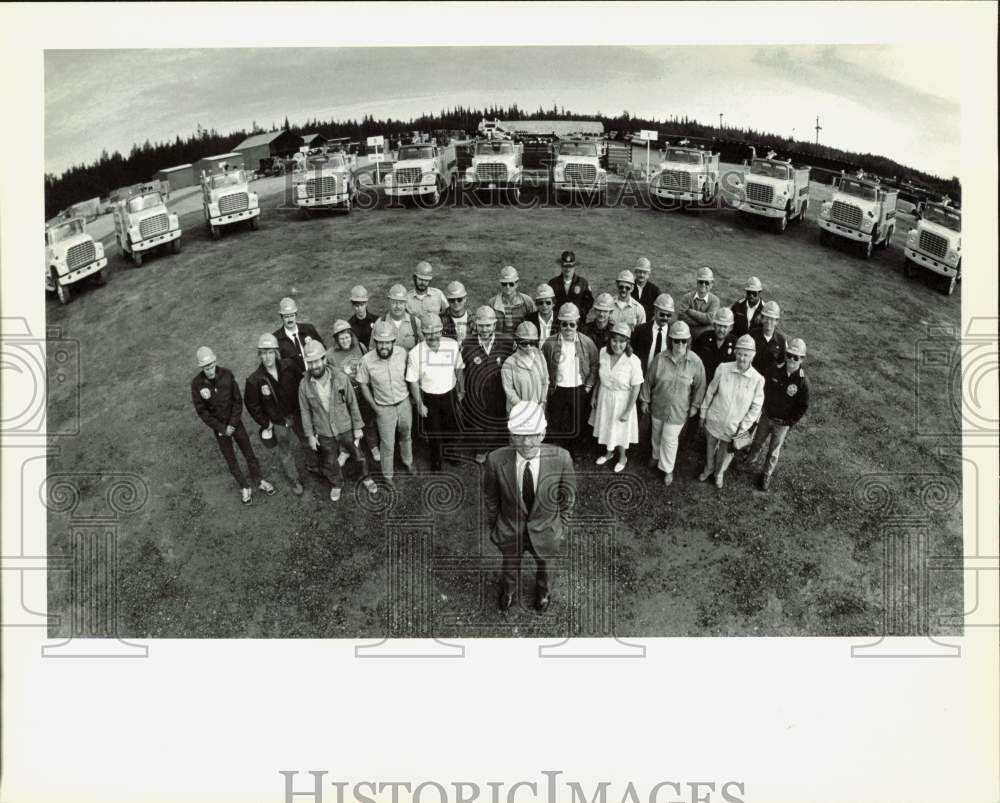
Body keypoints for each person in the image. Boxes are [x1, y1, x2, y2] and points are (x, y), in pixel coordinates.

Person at [485, 401, 576, 613]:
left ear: (543, 433)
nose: (526, 442)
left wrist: (561, 528)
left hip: (547, 531)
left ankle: (543, 593)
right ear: (510, 434)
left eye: (533, 435)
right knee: (509, 566)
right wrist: (495, 526)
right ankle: (508, 591)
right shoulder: (495, 460)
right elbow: (491, 498)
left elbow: (568, 497)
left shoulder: (562, 458)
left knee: (545, 567)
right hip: (510, 530)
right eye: (519, 435)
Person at [191, 346, 276, 505]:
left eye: (211, 365)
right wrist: (222, 428)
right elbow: (202, 412)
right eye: (205, 367)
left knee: (248, 452)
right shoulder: (196, 384)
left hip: (236, 424)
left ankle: (258, 479)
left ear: (215, 361)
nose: (209, 369)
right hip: (220, 430)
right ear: (200, 367)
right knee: (230, 458)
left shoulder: (227, 374)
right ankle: (244, 486)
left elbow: (238, 400)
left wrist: (232, 423)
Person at [297, 340, 377, 502]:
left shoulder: (340, 377)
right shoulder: (304, 386)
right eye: (310, 362)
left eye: (317, 361)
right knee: (330, 460)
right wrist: (310, 435)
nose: (314, 366)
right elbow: (305, 411)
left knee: (359, 455)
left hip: (346, 428)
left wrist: (357, 427)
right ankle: (336, 484)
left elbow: (352, 402)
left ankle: (367, 478)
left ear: (324, 359)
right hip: (324, 432)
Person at [639, 321, 706, 486]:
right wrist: (645, 400)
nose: (680, 344)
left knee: (670, 439)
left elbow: (700, 386)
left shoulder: (695, 362)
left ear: (689, 341)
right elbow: (648, 380)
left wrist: (695, 406)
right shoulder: (660, 359)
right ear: (671, 341)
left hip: (678, 411)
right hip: (658, 406)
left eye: (684, 340)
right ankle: (655, 456)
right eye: (676, 340)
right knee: (656, 434)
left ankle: (667, 468)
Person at [698, 334, 764, 489]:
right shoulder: (723, 368)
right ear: (735, 352)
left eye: (746, 355)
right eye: (740, 353)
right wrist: (703, 413)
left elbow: (756, 407)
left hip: (734, 427)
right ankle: (708, 468)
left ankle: (719, 473)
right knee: (709, 445)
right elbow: (710, 392)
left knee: (726, 452)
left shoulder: (758, 379)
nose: (742, 358)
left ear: (753, 356)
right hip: (714, 419)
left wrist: (743, 427)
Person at [243, 334, 305, 497]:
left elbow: (302, 385)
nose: (267, 356)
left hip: (297, 415)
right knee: (285, 451)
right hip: (278, 422)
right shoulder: (254, 380)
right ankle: (294, 479)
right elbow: (252, 405)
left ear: (276, 352)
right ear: (259, 355)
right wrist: (266, 423)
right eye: (263, 353)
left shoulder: (289, 365)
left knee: (307, 439)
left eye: (270, 352)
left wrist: (305, 409)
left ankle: (315, 466)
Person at [356, 321, 416, 487]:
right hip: (384, 408)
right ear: (375, 342)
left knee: (406, 435)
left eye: (387, 342)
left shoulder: (402, 353)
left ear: (393, 341)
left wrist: (411, 398)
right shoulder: (367, 361)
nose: (384, 346)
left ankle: (408, 461)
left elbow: (411, 376)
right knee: (387, 443)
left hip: (404, 403)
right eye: (380, 342)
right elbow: (362, 384)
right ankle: (388, 475)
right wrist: (375, 407)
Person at [748, 338, 810, 491]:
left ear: (802, 359)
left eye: (796, 357)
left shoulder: (802, 381)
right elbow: (765, 389)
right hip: (767, 416)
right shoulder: (775, 369)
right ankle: (750, 459)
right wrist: (763, 408)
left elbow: (803, 406)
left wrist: (789, 422)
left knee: (773, 451)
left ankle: (766, 474)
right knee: (758, 441)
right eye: (789, 355)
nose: (791, 359)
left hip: (782, 423)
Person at [406, 312, 465, 471]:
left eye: (436, 332)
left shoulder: (452, 344)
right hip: (430, 397)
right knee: (434, 432)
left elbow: (459, 368)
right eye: (428, 333)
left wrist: (461, 390)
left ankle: (452, 455)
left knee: (452, 428)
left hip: (450, 393)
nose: (432, 336)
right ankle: (436, 460)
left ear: (441, 331)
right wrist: (419, 404)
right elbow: (412, 381)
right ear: (422, 333)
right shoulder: (415, 353)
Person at [540, 302, 598, 460]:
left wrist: (587, 386)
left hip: (578, 388)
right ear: (559, 324)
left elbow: (594, 365)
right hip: (557, 389)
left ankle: (574, 449)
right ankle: (556, 449)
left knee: (577, 421)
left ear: (577, 324)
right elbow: (543, 363)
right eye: (564, 324)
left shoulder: (587, 343)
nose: (568, 328)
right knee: (555, 420)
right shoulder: (550, 343)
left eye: (572, 324)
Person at [589, 322, 644, 472]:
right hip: (605, 396)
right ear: (609, 339)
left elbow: (636, 387)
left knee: (620, 430)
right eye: (614, 340)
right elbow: (600, 377)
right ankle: (609, 453)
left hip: (622, 400)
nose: (617, 345)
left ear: (627, 342)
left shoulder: (633, 361)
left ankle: (622, 457)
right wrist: (594, 395)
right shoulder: (603, 353)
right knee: (607, 426)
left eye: (622, 341)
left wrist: (627, 410)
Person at [461, 306, 513, 462]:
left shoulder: (506, 342)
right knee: (478, 420)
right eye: (481, 325)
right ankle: (481, 449)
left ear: (495, 325)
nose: (484, 329)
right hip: (476, 391)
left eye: (488, 325)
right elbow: (461, 370)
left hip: (498, 389)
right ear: (475, 325)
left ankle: (498, 449)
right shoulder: (467, 344)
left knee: (498, 418)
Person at [327, 319, 380, 464]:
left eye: (347, 337)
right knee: (348, 423)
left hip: (362, 391)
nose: (345, 340)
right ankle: (346, 450)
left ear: (352, 336)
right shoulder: (330, 355)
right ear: (336, 339)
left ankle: (373, 446)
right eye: (341, 338)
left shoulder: (360, 347)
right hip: (344, 395)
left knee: (368, 421)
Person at [501, 322, 549, 413]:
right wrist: (524, 408)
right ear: (517, 341)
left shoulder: (540, 357)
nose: (528, 346)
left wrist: (542, 402)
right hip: (518, 411)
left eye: (532, 343)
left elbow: (545, 381)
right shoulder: (509, 363)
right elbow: (509, 391)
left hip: (538, 409)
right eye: (524, 343)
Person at [272, 297, 326, 372]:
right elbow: (277, 366)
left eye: (292, 315)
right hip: (295, 380)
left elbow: (323, 350)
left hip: (316, 371)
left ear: (296, 315)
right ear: (281, 317)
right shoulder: (276, 339)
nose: (290, 319)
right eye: (286, 317)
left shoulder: (309, 329)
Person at [631, 293, 674, 377]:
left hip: (664, 381)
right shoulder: (640, 331)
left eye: (668, 315)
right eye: (662, 314)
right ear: (655, 311)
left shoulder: (674, 333)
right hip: (642, 377)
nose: (665, 318)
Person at [487, 265, 536, 335]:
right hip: (499, 343)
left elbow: (535, 323)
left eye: (511, 284)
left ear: (516, 284)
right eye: (504, 284)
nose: (507, 287)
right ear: (500, 284)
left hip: (521, 342)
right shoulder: (492, 303)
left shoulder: (527, 301)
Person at [693, 307, 737, 383]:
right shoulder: (703, 338)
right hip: (702, 382)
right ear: (714, 325)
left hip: (724, 385)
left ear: (731, 328)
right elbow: (693, 360)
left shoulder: (735, 344)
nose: (721, 330)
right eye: (719, 325)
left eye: (725, 327)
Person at [372, 284, 422, 350]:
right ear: (389, 302)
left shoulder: (415, 323)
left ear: (406, 304)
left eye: (401, 303)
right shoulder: (379, 323)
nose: (397, 306)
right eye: (394, 302)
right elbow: (372, 349)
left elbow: (424, 348)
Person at [548, 249, 594, 322]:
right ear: (561, 266)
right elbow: (549, 302)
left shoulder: (582, 283)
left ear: (575, 266)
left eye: (570, 266)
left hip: (577, 322)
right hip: (558, 322)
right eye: (565, 266)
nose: (568, 269)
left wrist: (580, 313)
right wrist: (556, 315)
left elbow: (589, 302)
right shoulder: (553, 283)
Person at [678, 266, 721, 340]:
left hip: (705, 339)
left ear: (711, 285)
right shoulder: (687, 297)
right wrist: (703, 323)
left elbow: (710, 319)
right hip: (686, 337)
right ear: (697, 282)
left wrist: (690, 311)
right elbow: (681, 317)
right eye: (701, 281)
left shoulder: (715, 300)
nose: (703, 285)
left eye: (707, 282)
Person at [752, 301, 786, 377]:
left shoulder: (781, 341)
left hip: (770, 383)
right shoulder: (752, 336)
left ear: (777, 321)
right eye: (766, 318)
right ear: (761, 319)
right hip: (752, 379)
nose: (768, 322)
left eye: (772, 319)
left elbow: (781, 364)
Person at [630, 257, 662, 322]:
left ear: (648, 274)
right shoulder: (628, 287)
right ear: (635, 272)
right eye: (639, 272)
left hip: (647, 325)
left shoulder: (655, 291)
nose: (642, 275)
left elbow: (660, 310)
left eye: (644, 272)